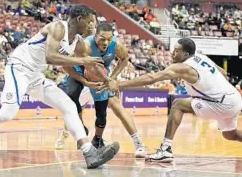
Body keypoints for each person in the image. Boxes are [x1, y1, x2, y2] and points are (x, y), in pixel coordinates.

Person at [0, 4, 120, 169]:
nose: (92, 26)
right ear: (79, 19)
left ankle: (89, 152)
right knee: (7, 114)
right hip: (20, 67)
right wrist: (82, 61)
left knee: (69, 106)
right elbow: (51, 57)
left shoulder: (78, 43)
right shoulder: (58, 27)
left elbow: (83, 65)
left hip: (36, 75)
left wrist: (106, 80)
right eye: (90, 22)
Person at [101, 38, 242, 162]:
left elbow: (152, 78)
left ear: (186, 54)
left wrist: (118, 84)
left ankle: (166, 150)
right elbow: (222, 73)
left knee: (178, 104)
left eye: (176, 51)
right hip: (234, 98)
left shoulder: (184, 67)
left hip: (222, 103)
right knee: (230, 134)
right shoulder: (201, 57)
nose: (172, 53)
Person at [56, 23, 147, 158]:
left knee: (117, 107)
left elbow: (124, 59)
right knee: (73, 106)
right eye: (102, 39)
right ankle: (69, 133)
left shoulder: (117, 45)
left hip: (103, 78)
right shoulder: (86, 45)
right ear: (95, 35)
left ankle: (139, 144)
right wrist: (105, 81)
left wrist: (113, 79)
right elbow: (89, 67)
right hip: (82, 75)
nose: (106, 42)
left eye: (109, 39)